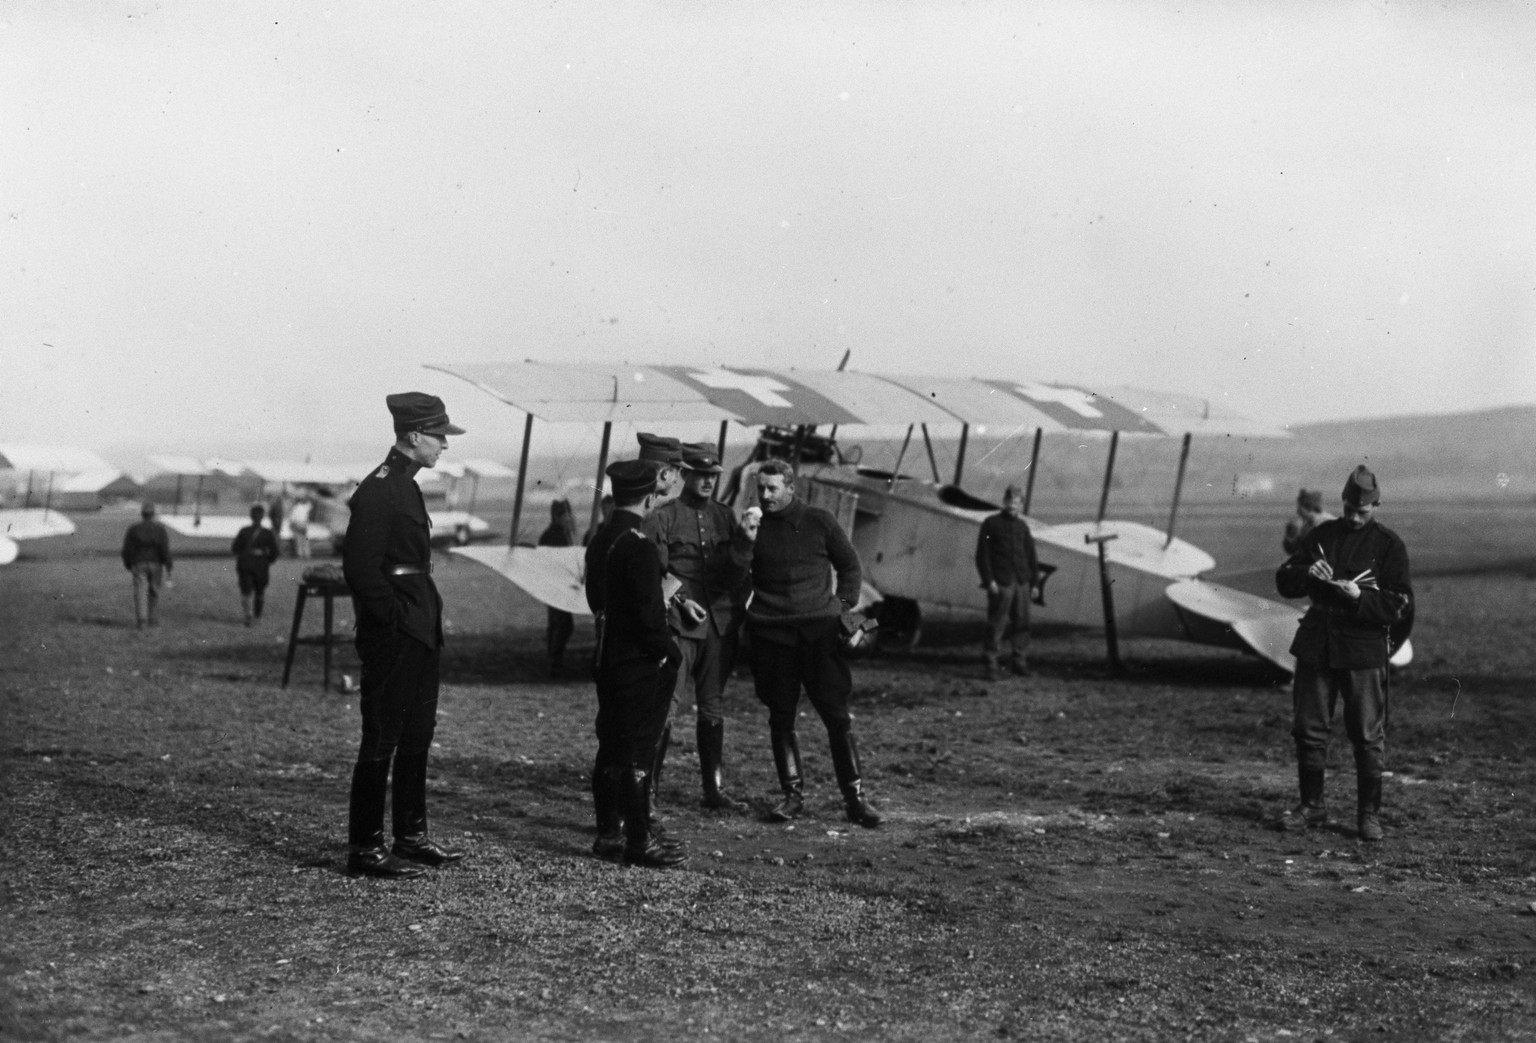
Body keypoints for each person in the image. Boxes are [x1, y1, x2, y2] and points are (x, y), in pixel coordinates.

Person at [339, 392, 468, 879]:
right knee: (383, 736)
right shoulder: (380, 489)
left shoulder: (407, 486)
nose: (444, 446)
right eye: (438, 437)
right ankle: (366, 848)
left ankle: (410, 837)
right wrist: (393, 621)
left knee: (418, 733)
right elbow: (361, 569)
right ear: (414, 437)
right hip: (397, 633)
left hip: (419, 627)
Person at [1275, 465, 1412, 843]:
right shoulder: (1321, 535)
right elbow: (1284, 579)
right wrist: (1307, 574)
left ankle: (1368, 815)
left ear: (1376, 506)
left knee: (1368, 735)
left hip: (1363, 650)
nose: (1353, 518)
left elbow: (1400, 605)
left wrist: (1362, 598)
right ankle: (1312, 806)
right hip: (1318, 644)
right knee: (1309, 729)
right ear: (1342, 503)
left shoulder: (1389, 546)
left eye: (1362, 512)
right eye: (1349, 509)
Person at [745, 459, 881, 828]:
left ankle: (855, 799)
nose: (765, 495)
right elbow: (735, 573)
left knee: (837, 717)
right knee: (781, 717)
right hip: (772, 636)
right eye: (761, 488)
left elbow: (851, 566)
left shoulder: (820, 521)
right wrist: (745, 541)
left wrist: (841, 606)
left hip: (819, 635)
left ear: (791, 487)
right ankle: (792, 797)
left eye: (772, 488)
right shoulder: (753, 528)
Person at [584, 459, 687, 868]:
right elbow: (649, 618)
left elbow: (595, 600)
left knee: (610, 746)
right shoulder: (640, 546)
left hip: (607, 656)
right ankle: (640, 841)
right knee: (638, 750)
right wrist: (666, 652)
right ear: (648, 497)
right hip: (639, 661)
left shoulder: (599, 541)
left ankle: (609, 834)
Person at [643, 442, 755, 811]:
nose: (707, 481)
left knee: (712, 707)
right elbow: (658, 573)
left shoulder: (726, 518)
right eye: (700, 473)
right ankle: (650, 792)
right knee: (666, 706)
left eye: (713, 475)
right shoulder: (664, 516)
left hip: (720, 625)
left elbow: (739, 573)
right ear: (685, 474)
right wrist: (679, 603)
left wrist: (743, 548)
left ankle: (714, 790)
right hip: (679, 624)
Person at [974, 484, 1041, 681]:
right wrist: (989, 581)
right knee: (996, 624)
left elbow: (1031, 556)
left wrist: (1034, 583)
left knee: (1022, 623)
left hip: (1021, 582)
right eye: (1010, 501)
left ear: (1021, 505)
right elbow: (982, 555)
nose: (1013, 505)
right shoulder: (990, 524)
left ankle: (1019, 662)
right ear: (1004, 502)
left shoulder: (1023, 527)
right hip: (1001, 582)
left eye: (1017, 502)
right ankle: (991, 664)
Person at [538, 498, 578, 676]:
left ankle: (554, 659)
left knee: (559, 624)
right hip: (555, 586)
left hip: (561, 586)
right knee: (561, 624)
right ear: (556, 516)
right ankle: (554, 660)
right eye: (564, 515)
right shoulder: (552, 536)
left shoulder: (563, 534)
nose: (568, 518)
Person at [122, 501, 173, 630]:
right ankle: (152, 620)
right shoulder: (160, 529)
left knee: (140, 591)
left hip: (138, 564)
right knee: (154, 592)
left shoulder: (133, 529)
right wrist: (168, 565)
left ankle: (142, 621)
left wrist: (128, 563)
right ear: (153, 514)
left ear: (142, 514)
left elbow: (127, 549)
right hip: (156, 564)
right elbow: (164, 549)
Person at [232, 504, 281, 625]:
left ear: (251, 516)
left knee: (246, 591)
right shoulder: (267, 533)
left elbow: (235, 548)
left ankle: (248, 615)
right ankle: (257, 616)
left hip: (245, 564)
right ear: (262, 517)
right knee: (260, 591)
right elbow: (274, 552)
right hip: (261, 566)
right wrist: (266, 560)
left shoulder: (244, 531)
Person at [1282, 488, 1335, 555]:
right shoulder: (1307, 524)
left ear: (1308, 508)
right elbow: (1293, 549)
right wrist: (1290, 535)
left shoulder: (1326, 522)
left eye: (1300, 508)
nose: (1298, 512)